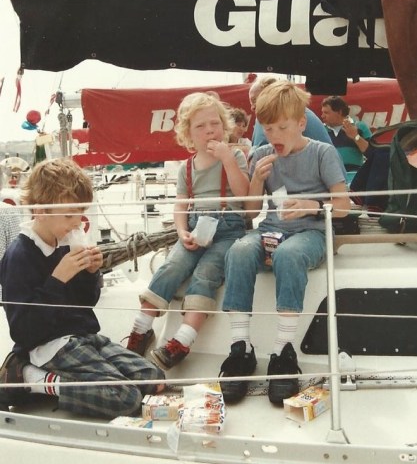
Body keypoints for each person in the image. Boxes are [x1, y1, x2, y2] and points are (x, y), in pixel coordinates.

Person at [0, 158, 164, 418]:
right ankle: (30, 377)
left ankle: (58, 378)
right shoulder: (19, 256)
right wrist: (57, 279)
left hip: (84, 336)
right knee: (127, 399)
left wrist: (90, 273)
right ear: (40, 211)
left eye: (79, 213)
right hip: (48, 345)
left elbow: (86, 303)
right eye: (69, 215)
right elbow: (23, 330)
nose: (77, 223)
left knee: (154, 379)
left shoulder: (64, 243)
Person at [219, 81, 350, 405]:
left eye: (282, 127)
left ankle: (283, 350)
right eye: (268, 127)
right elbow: (251, 213)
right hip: (270, 229)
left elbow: (344, 205)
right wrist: (258, 179)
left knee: (289, 255)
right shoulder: (262, 155)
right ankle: (241, 349)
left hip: (312, 232)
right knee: (239, 250)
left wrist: (313, 206)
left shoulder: (323, 152)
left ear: (300, 124)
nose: (274, 134)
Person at [126, 92, 249, 370]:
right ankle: (141, 329)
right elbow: (181, 206)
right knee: (172, 266)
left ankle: (182, 340)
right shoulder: (187, 168)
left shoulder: (236, 156)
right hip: (196, 229)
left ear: (224, 126)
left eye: (214, 123)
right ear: (188, 135)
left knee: (206, 274)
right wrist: (182, 232)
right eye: (200, 126)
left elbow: (243, 196)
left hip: (228, 231)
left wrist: (228, 159)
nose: (209, 130)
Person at [248, 76, 333, 152]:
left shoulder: (269, 117)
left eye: (255, 100)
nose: (252, 107)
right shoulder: (299, 111)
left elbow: (258, 158)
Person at [321, 95, 372, 179]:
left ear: (339, 112)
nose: (322, 116)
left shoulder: (360, 127)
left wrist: (356, 137)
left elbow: (372, 153)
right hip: (327, 178)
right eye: (322, 112)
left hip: (353, 178)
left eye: (326, 113)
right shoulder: (320, 129)